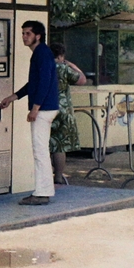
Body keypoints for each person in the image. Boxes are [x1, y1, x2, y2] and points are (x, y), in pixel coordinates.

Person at [0, 20, 59, 205]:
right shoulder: (41, 53)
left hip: (44, 108)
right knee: (41, 150)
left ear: (37, 36)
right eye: (23, 33)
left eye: (28, 34)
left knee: (40, 150)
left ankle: (42, 192)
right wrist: (13, 97)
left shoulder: (41, 54)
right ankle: (43, 190)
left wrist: (35, 108)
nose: (24, 37)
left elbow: (44, 83)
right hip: (46, 107)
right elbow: (34, 84)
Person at [49, 42, 89, 187]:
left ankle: (45, 176)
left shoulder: (45, 66)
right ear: (60, 56)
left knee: (45, 144)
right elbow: (82, 80)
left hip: (47, 108)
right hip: (64, 109)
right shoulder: (64, 68)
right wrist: (73, 65)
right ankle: (58, 177)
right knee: (59, 145)